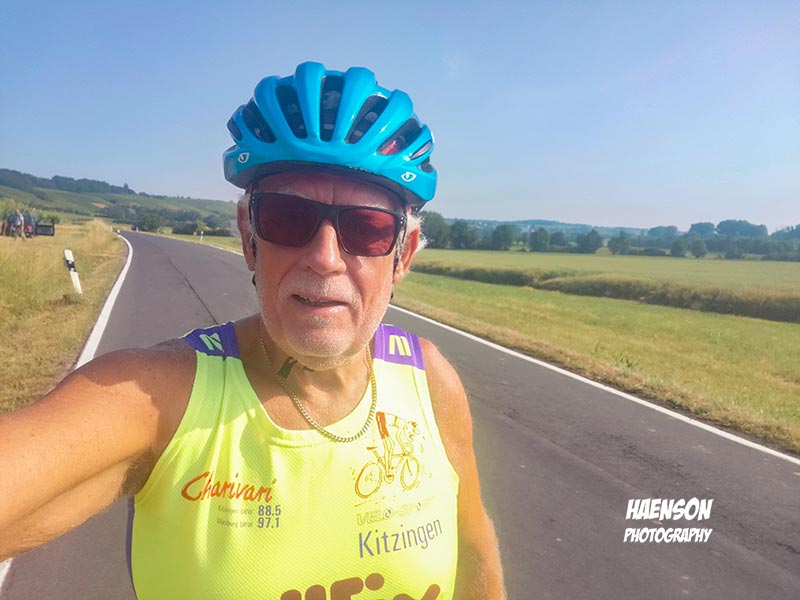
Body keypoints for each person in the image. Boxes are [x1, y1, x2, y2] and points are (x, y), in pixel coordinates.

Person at [0, 62, 506, 599]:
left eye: (366, 228)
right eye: (288, 218)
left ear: (402, 255)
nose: (325, 258)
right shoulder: (159, 397)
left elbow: (473, 549)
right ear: (249, 238)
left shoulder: (429, 380)